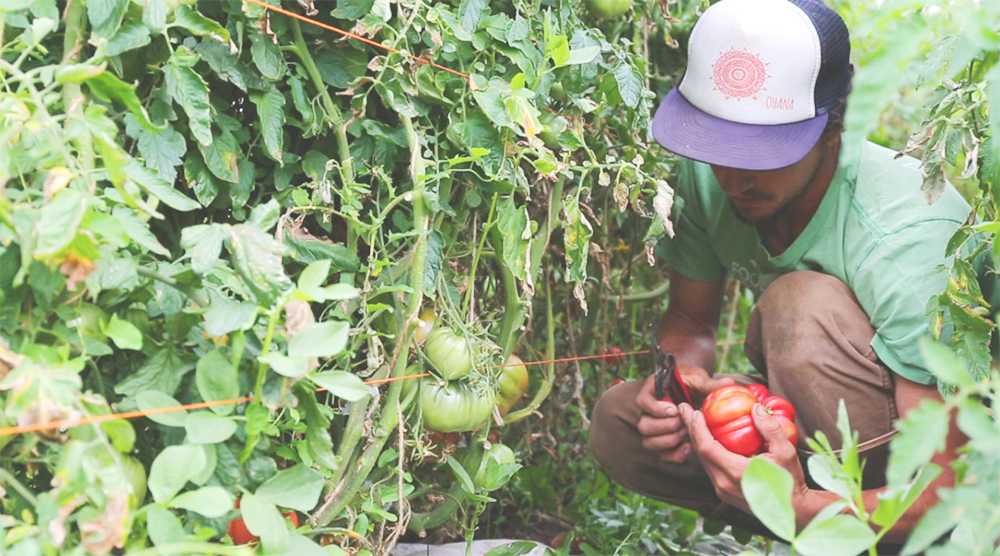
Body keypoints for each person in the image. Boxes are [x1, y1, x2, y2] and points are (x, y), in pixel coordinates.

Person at [589, 0, 969, 548]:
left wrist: (799, 505)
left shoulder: (908, 234)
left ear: (832, 127)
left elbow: (946, 484)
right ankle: (822, 516)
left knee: (799, 306)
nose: (736, 176)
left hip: (938, 466)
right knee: (621, 424)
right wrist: (679, 394)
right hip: (813, 431)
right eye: (721, 145)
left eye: (764, 152)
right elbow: (690, 324)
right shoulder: (706, 175)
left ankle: (860, 529)